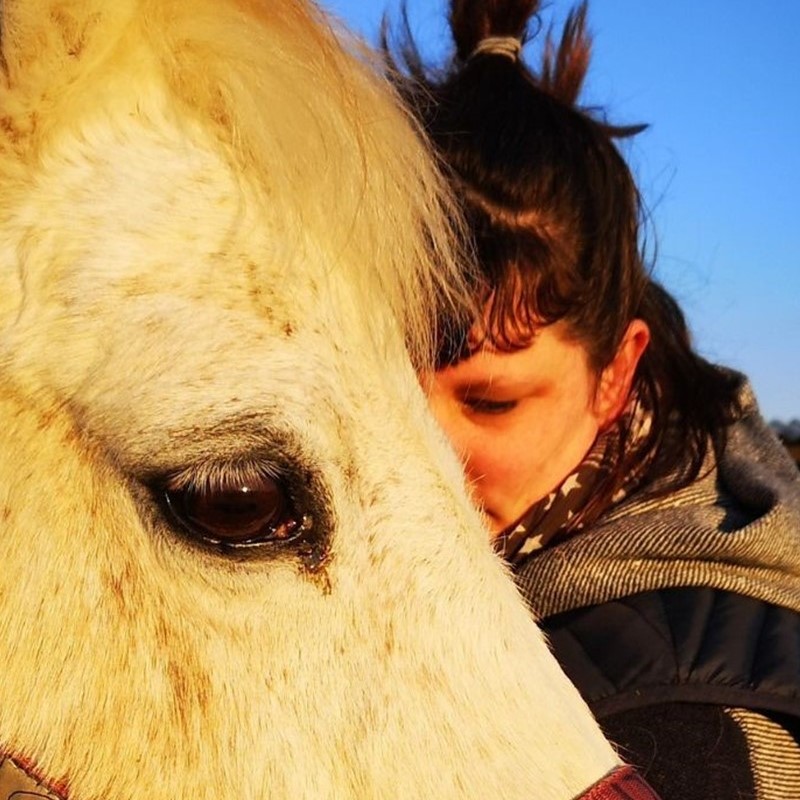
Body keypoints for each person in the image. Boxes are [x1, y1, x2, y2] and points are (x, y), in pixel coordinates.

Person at [385, 1, 800, 798]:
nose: (420, 459)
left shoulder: (686, 746)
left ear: (616, 373)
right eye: (390, 395)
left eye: (490, 402)